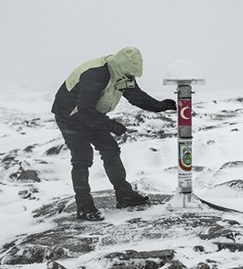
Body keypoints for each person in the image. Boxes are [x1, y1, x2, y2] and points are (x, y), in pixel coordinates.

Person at [51, 46, 177, 221]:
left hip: (91, 114)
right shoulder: (96, 74)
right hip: (70, 115)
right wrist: (111, 125)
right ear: (120, 67)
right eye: (130, 74)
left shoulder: (123, 74)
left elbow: (136, 95)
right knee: (82, 157)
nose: (131, 78)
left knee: (110, 149)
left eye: (134, 75)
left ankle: (125, 196)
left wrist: (159, 106)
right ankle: (84, 207)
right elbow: (83, 111)